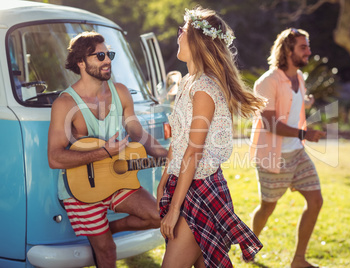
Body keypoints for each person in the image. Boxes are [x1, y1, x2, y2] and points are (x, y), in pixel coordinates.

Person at [47, 31, 168, 268]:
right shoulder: (66, 103)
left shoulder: (120, 92)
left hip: (117, 180)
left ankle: (109, 228)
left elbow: (136, 131)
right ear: (81, 63)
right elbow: (55, 157)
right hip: (81, 189)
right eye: (100, 56)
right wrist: (105, 153)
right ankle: (101, 235)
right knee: (106, 252)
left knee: (159, 216)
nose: (108, 60)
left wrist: (165, 154)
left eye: (109, 54)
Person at [157, 7, 265, 268]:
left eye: (182, 31)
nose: (178, 36)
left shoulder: (204, 88)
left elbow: (193, 152)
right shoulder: (187, 82)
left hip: (201, 190)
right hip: (182, 183)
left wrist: (174, 210)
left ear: (196, 39)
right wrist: (164, 181)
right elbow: (179, 140)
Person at [250, 28, 326, 268]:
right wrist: (305, 133)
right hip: (274, 157)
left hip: (297, 152)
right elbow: (270, 122)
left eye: (308, 46)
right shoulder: (267, 82)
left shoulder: (300, 78)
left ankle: (298, 260)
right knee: (267, 207)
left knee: (315, 201)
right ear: (287, 50)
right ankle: (250, 245)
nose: (309, 51)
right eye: (303, 47)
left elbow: (294, 99)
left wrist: (306, 100)